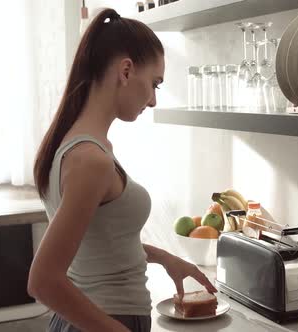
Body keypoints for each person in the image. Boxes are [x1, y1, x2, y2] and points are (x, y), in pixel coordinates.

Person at [28, 8, 217, 332]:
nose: (155, 99)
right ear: (126, 71)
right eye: (155, 83)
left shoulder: (76, 146)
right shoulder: (92, 161)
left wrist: (166, 259)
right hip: (107, 320)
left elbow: (100, 244)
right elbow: (43, 282)